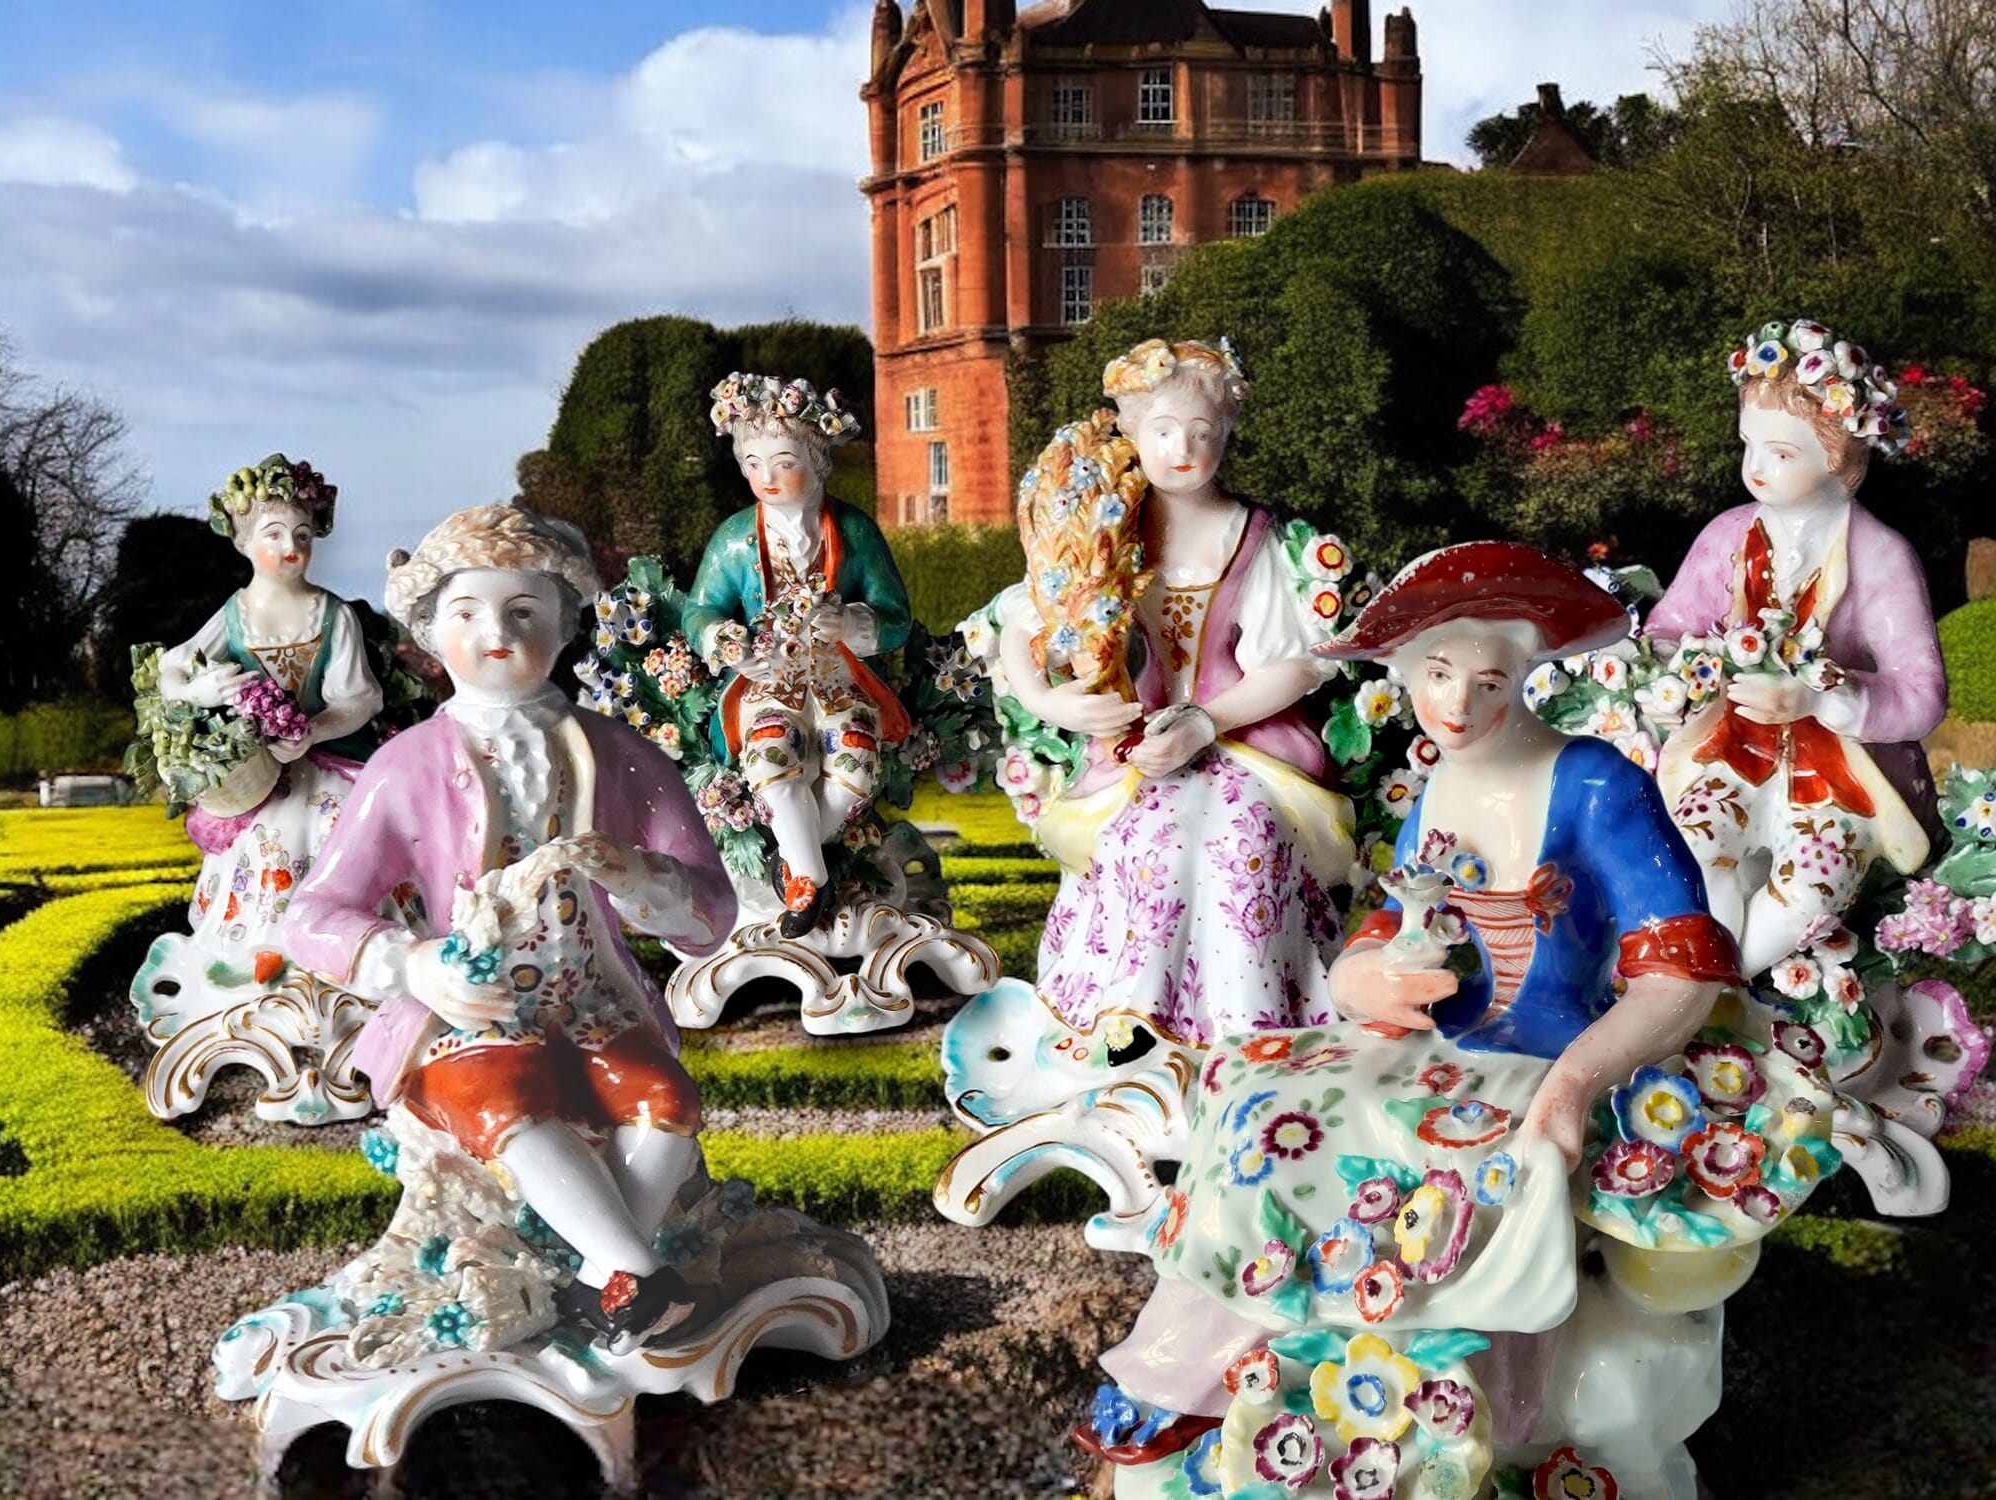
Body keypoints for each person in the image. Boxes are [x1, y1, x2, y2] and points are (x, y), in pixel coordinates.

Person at [1090, 543, 1744, 1465]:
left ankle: (1469, 1414)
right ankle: (1209, 1369)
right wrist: (1362, 977)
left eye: (1489, 681)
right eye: (1436, 674)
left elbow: (1682, 971)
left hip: (1544, 1060)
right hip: (1426, 1048)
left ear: (1527, 676)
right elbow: (1388, 922)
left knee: (1432, 1148)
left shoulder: (1596, 782)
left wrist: (1575, 1086)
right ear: (1404, 672)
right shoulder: (1436, 780)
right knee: (1249, 1094)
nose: (1456, 705)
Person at [286, 505, 737, 1351]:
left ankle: (605, 1282)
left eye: (523, 611)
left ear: (565, 625)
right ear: (431, 632)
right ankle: (633, 1280)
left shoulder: (624, 755)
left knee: (666, 1099)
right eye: (467, 613)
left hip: (594, 997)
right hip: (472, 1009)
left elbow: (712, 910)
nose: (495, 633)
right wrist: (415, 965)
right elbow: (312, 913)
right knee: (508, 1102)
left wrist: (641, 877)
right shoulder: (406, 765)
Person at [993, 338, 1355, 1047]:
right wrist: (1052, 702)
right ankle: (1126, 1024)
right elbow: (1020, 623)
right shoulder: (1099, 529)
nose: (1181, 449)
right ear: (1130, 430)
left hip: (1245, 739)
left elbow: (1294, 666)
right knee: (1148, 841)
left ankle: (1255, 1027)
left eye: (1202, 433)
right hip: (1130, 746)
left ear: (1226, 436)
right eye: (1161, 430)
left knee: (1238, 835)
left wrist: (1204, 720)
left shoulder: (1255, 538)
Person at [1648, 319, 1946, 977]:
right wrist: (1675, 684)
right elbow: (1668, 630)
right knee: (1694, 853)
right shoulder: (1729, 535)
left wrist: (1821, 696)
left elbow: (1922, 691)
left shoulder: (1881, 556)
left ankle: (1724, 994)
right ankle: (1696, 994)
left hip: (1839, 776)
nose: (1754, 467)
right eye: (1748, 444)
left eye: (1781, 453)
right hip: (1726, 750)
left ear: (1838, 456)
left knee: (1804, 901)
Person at [134, 455, 384, 1019]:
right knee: (263, 846)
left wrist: (312, 730)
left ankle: (346, 969)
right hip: (257, 775)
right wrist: (198, 692)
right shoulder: (234, 615)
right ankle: (254, 971)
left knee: (337, 829)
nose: (290, 547)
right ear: (245, 542)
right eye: (273, 534)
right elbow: (171, 669)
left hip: (326, 763)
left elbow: (362, 698)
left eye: (301, 534)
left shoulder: (333, 615)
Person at [684, 374, 912, 937]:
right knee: (770, 759)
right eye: (752, 462)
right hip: (768, 677)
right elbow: (699, 611)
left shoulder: (854, 530)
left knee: (856, 769)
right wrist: (727, 643)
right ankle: (809, 878)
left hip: (840, 679)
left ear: (817, 460)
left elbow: (896, 615)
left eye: (783, 461)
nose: (766, 477)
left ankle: (798, 850)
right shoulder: (736, 537)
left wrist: (853, 623)